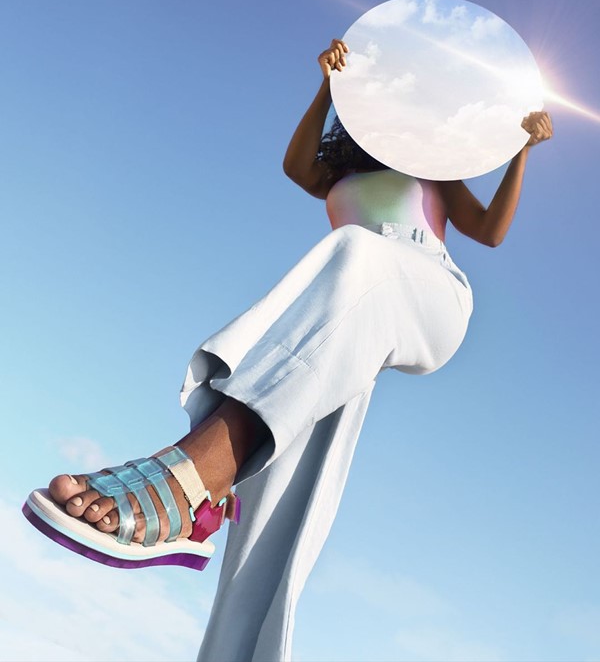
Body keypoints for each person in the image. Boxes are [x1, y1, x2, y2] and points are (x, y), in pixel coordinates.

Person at [23, 38, 553, 661]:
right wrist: (329, 84)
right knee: (274, 517)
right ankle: (208, 542)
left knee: (356, 251)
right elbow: (296, 168)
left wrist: (521, 150)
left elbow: (488, 232)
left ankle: (199, 468)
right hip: (342, 324)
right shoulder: (342, 169)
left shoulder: (437, 171)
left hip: (427, 298)